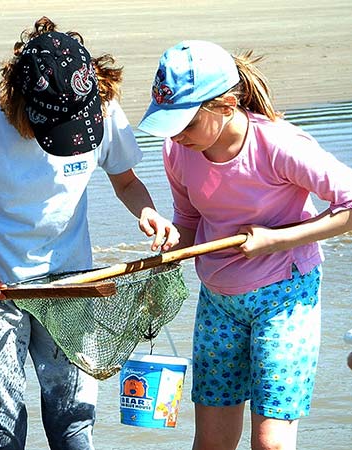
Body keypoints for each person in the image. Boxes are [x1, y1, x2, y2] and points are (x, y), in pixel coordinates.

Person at [0, 17, 179, 450]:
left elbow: (126, 181)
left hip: (74, 290)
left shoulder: (102, 108)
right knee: (0, 434)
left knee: (74, 428)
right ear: (20, 102)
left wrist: (148, 212)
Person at [138, 40, 352, 450]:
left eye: (184, 122)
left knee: (270, 442)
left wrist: (278, 240)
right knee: (212, 443)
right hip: (219, 301)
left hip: (285, 296)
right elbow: (188, 219)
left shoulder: (279, 145)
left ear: (226, 104)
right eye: (168, 124)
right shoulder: (177, 151)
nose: (176, 135)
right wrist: (170, 243)